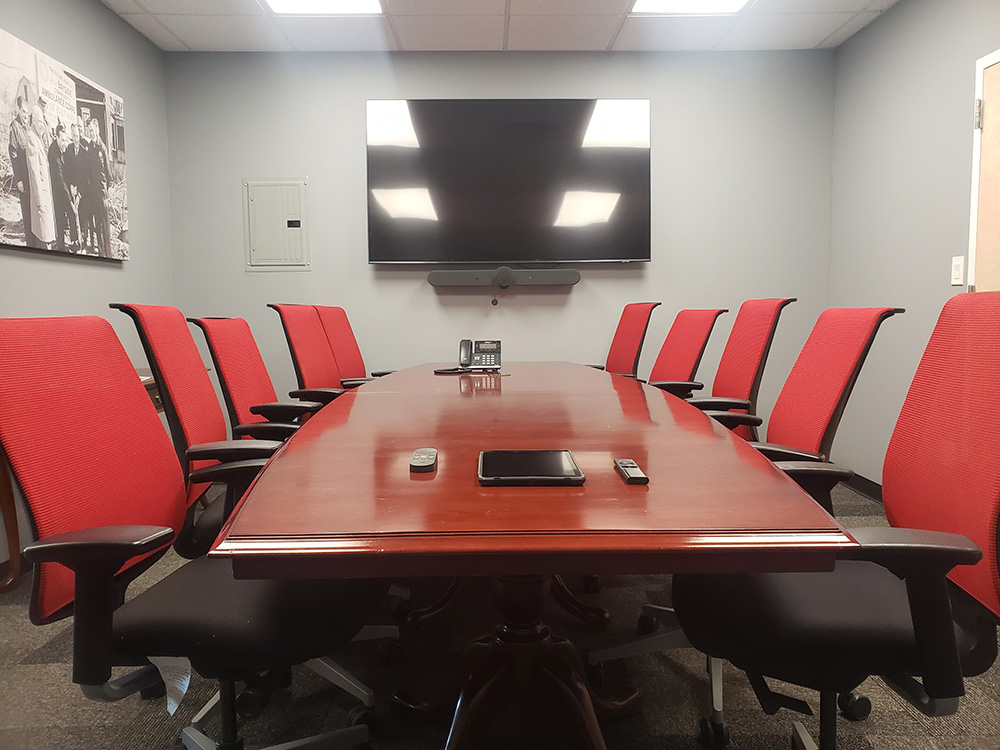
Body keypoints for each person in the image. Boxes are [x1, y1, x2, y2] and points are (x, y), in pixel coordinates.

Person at [25, 105, 55, 247]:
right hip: (40, 200)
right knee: (42, 241)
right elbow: (34, 173)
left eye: (43, 122)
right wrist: (39, 201)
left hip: (44, 197)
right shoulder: (31, 138)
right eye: (39, 122)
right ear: (33, 121)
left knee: (46, 238)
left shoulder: (37, 137)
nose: (42, 126)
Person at [7, 96, 33, 245]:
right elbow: (13, 154)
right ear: (18, 109)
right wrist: (19, 180)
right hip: (23, 179)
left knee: (32, 213)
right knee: (27, 215)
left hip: (30, 178)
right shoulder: (14, 127)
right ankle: (30, 245)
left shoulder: (27, 127)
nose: (26, 115)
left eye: (27, 112)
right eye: (23, 111)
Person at [48, 123, 77, 252]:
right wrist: (70, 200)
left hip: (65, 187)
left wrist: (72, 188)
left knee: (72, 213)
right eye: (63, 140)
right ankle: (60, 246)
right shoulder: (53, 153)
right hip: (57, 191)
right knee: (60, 217)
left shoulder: (64, 149)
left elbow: (69, 171)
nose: (65, 143)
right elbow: (59, 180)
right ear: (57, 138)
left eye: (66, 140)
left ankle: (75, 241)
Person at [86, 117, 111, 258]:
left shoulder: (102, 148)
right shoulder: (90, 147)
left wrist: (108, 189)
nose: (91, 133)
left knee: (104, 225)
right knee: (97, 226)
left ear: (98, 130)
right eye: (89, 131)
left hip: (102, 192)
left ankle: (108, 254)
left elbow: (108, 173)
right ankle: (101, 253)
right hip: (93, 192)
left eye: (93, 130)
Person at [64, 122, 87, 248]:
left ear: (80, 134)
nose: (75, 138)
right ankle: (74, 242)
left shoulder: (84, 152)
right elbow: (67, 172)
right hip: (72, 188)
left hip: (82, 191)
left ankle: (83, 241)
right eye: (73, 135)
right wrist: (71, 187)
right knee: (72, 215)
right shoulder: (68, 150)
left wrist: (80, 194)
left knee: (82, 216)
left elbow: (85, 176)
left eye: (77, 135)